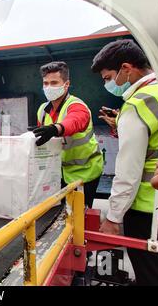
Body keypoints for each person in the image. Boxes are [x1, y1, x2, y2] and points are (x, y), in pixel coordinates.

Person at [91, 39, 158, 285]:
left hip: (152, 210)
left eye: (108, 77)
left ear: (127, 68)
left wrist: (113, 218)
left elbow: (128, 170)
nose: (108, 84)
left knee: (155, 277)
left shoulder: (137, 104)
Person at [33, 61, 104, 208]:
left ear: (66, 84)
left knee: (78, 217)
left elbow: (75, 121)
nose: (48, 87)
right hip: (58, 174)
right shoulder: (42, 110)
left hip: (85, 173)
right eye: (45, 83)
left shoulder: (77, 106)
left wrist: (56, 128)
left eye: (54, 82)